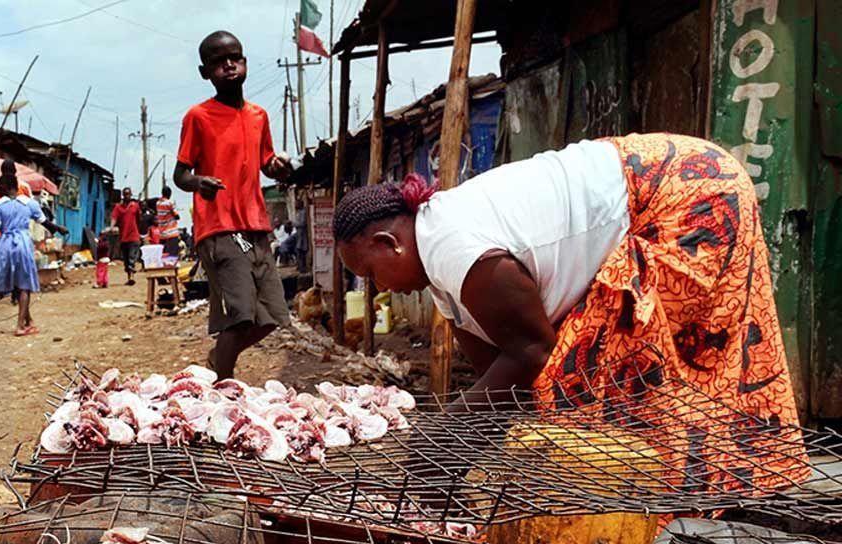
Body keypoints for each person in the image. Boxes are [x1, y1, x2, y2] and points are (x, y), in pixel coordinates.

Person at [333, 132, 807, 493]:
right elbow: (501, 383)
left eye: (370, 275)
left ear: (388, 244)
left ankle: (682, 494)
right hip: (661, 180)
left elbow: (532, 352)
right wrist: (456, 461)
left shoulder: (452, 245)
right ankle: (647, 493)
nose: (376, 289)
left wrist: (442, 435)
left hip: (686, 195)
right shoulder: (443, 279)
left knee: (602, 368)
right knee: (560, 392)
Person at [173, 30, 292, 380]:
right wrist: (199, 182)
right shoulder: (198, 116)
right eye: (217, 61)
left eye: (234, 58)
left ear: (244, 63)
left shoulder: (259, 116)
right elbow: (180, 174)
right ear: (204, 72)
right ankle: (223, 388)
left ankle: (217, 360)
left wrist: (278, 168)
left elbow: (266, 162)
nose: (228, 65)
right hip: (219, 227)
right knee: (239, 314)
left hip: (255, 225)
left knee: (272, 316)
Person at [0, 174, 67, 336]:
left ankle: (28, 320)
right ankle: (20, 326)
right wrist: (58, 229)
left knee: (17, 284)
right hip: (22, 243)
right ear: (16, 186)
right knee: (25, 286)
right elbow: (45, 222)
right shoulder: (29, 203)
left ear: (1, 189)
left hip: (5, 244)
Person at [111, 186, 141, 285]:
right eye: (125, 194)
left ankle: (132, 276)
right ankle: (129, 276)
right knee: (126, 259)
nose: (127, 196)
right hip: (124, 237)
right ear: (123, 196)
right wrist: (111, 227)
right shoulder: (118, 207)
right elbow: (114, 218)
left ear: (131, 195)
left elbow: (138, 219)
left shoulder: (135, 206)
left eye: (129, 194)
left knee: (132, 257)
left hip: (134, 236)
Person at [156, 186, 181, 257]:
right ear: (170, 194)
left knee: (163, 253)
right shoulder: (170, 203)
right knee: (172, 253)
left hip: (162, 233)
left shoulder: (158, 203)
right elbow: (177, 216)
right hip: (171, 232)